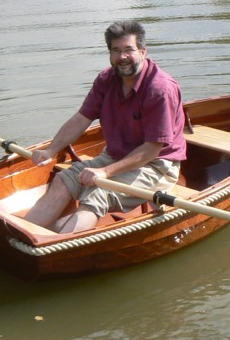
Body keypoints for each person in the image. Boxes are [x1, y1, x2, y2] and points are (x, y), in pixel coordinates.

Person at [25, 20, 186, 233]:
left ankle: (53, 250)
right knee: (64, 180)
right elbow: (81, 118)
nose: (122, 57)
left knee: (98, 193)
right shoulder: (106, 79)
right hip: (114, 155)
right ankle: (22, 236)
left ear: (143, 51)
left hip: (156, 165)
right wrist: (51, 149)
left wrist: (104, 172)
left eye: (129, 50)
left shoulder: (160, 90)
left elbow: (152, 149)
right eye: (116, 51)